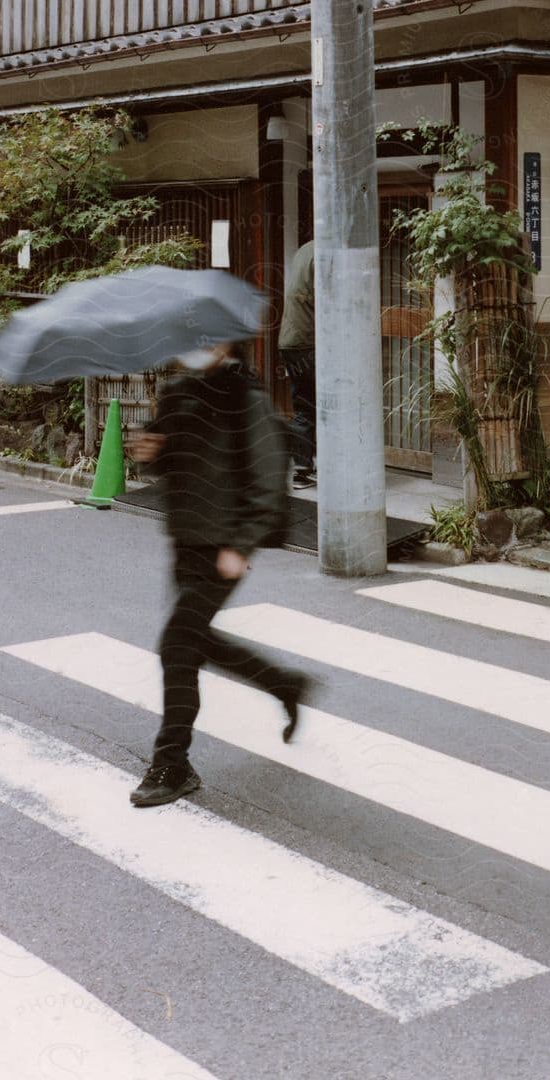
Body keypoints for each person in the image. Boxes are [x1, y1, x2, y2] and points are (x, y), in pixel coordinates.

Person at [124, 341, 311, 807]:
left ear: (226, 343)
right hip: (186, 539)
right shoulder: (177, 392)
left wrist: (241, 544)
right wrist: (148, 452)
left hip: (223, 546)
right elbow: (167, 461)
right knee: (193, 644)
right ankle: (283, 684)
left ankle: (172, 763)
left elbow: (268, 476)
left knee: (177, 645)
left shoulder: (243, 396)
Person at [277, 239, 317, 487]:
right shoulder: (326, 252)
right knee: (317, 405)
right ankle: (305, 468)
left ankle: (302, 466)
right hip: (309, 341)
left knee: (303, 403)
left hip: (291, 340)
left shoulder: (304, 250)